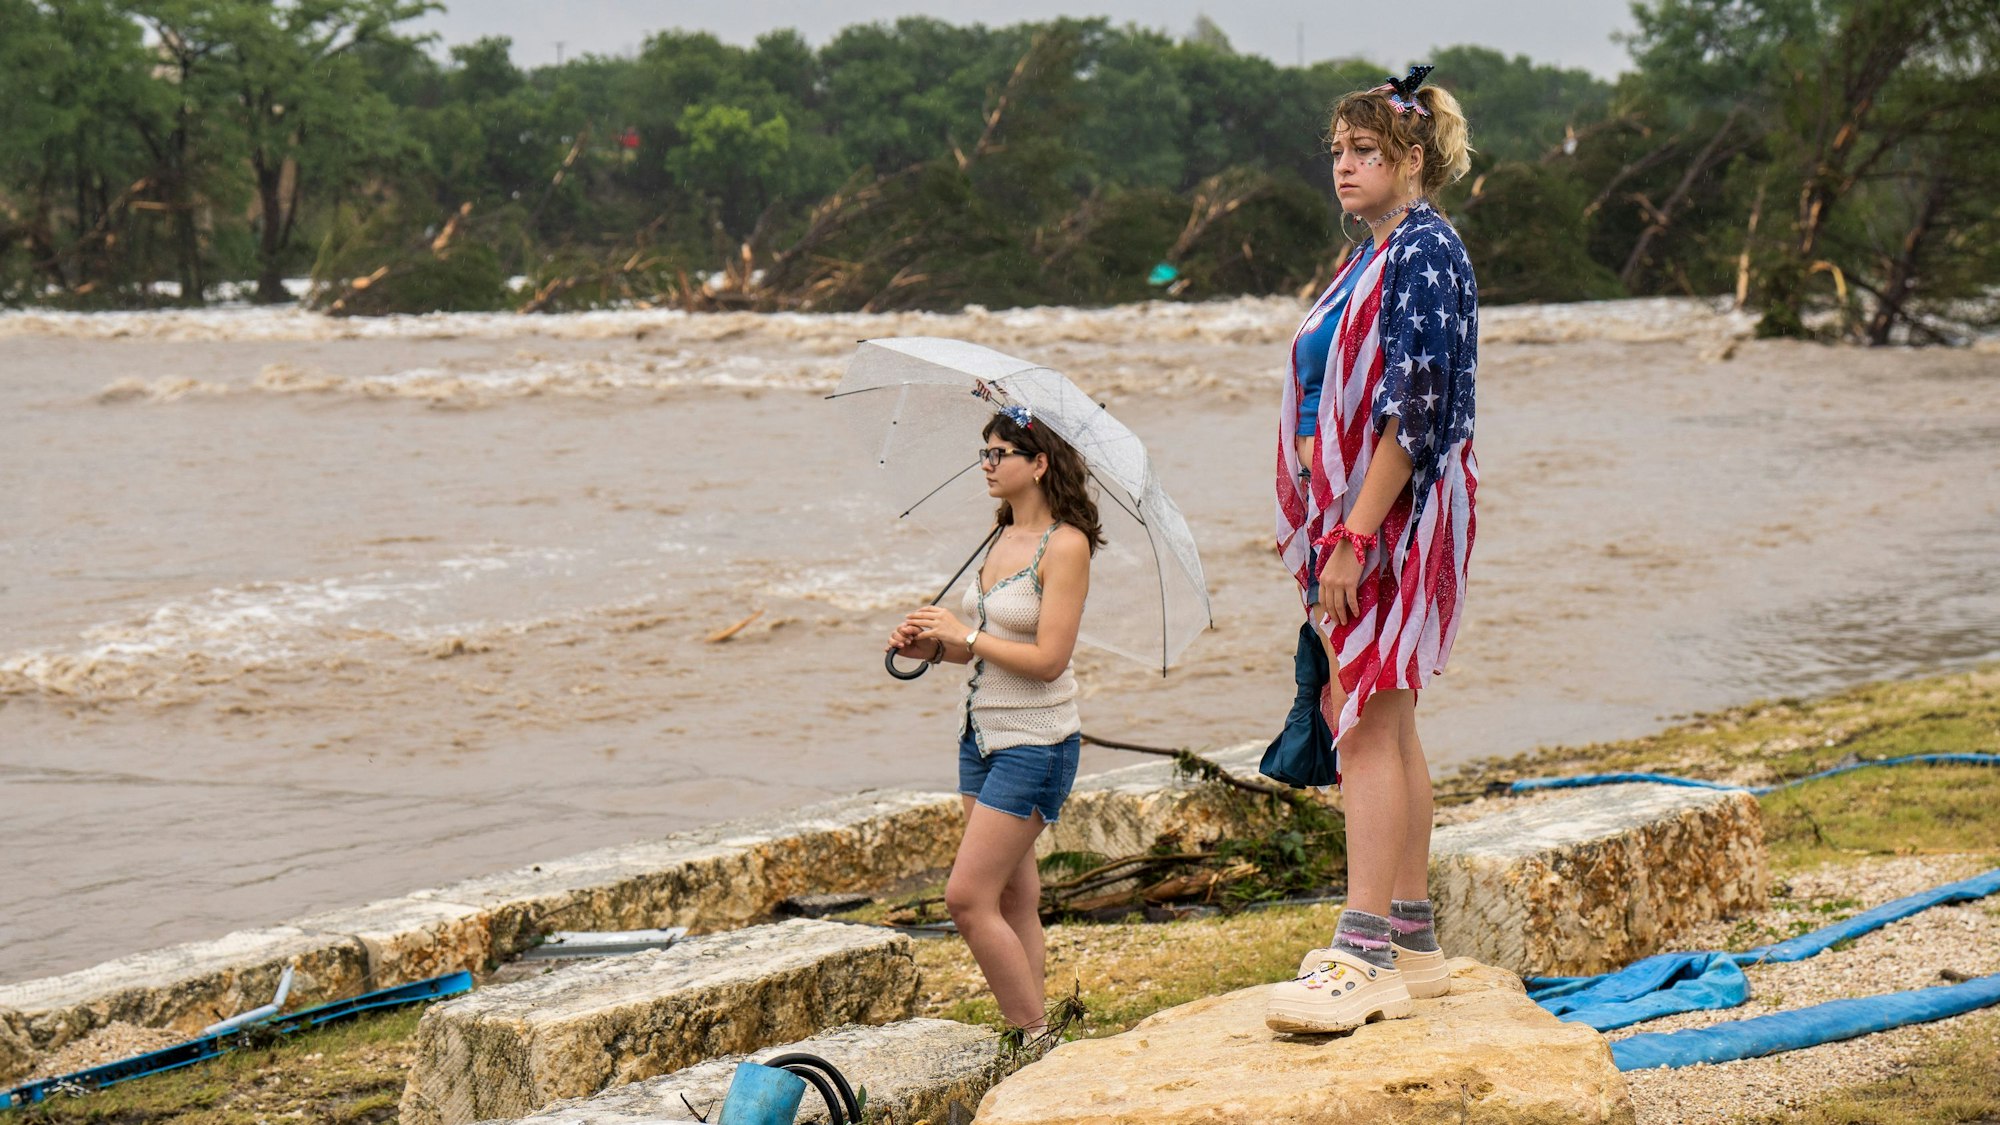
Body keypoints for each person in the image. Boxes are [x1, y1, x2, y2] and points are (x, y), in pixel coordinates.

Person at [1265, 66, 1480, 1034]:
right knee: (1382, 714)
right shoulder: (1373, 253)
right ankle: (1412, 940)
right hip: (1356, 510)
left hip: (1392, 515)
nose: (1343, 170)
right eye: (1337, 155)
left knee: (1363, 724)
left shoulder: (1422, 253)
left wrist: (1352, 534)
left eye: (1363, 154)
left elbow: (1415, 404)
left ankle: (1362, 954)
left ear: (1410, 160)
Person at [887, 404, 1102, 1035]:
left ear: (1037, 464)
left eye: (998, 453)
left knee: (966, 898)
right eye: (984, 452)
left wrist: (966, 634)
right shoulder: (997, 534)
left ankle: (1034, 1037)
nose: (986, 464)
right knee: (1013, 896)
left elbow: (1047, 660)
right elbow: (977, 645)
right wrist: (931, 645)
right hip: (979, 736)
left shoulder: (1065, 546)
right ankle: (1033, 1030)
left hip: (1036, 744)